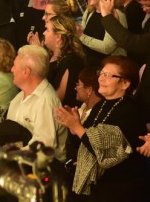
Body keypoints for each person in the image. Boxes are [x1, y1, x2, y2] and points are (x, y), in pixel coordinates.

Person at [56, 56, 147, 201]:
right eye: (102, 73)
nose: (101, 79)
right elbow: (84, 143)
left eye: (109, 76)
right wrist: (73, 127)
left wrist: (78, 128)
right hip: (100, 183)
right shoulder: (101, 105)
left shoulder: (130, 111)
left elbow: (106, 151)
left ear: (125, 83)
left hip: (120, 187)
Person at [7, 45, 67, 161]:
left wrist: (10, 156)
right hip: (19, 163)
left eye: (14, 66)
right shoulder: (18, 98)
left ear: (26, 72)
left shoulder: (46, 101)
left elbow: (44, 148)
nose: (11, 70)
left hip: (43, 170)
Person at [80, 0, 127, 68]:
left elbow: (107, 48)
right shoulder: (89, 10)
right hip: (89, 63)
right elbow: (82, 32)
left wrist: (81, 37)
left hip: (110, 66)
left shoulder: (116, 14)